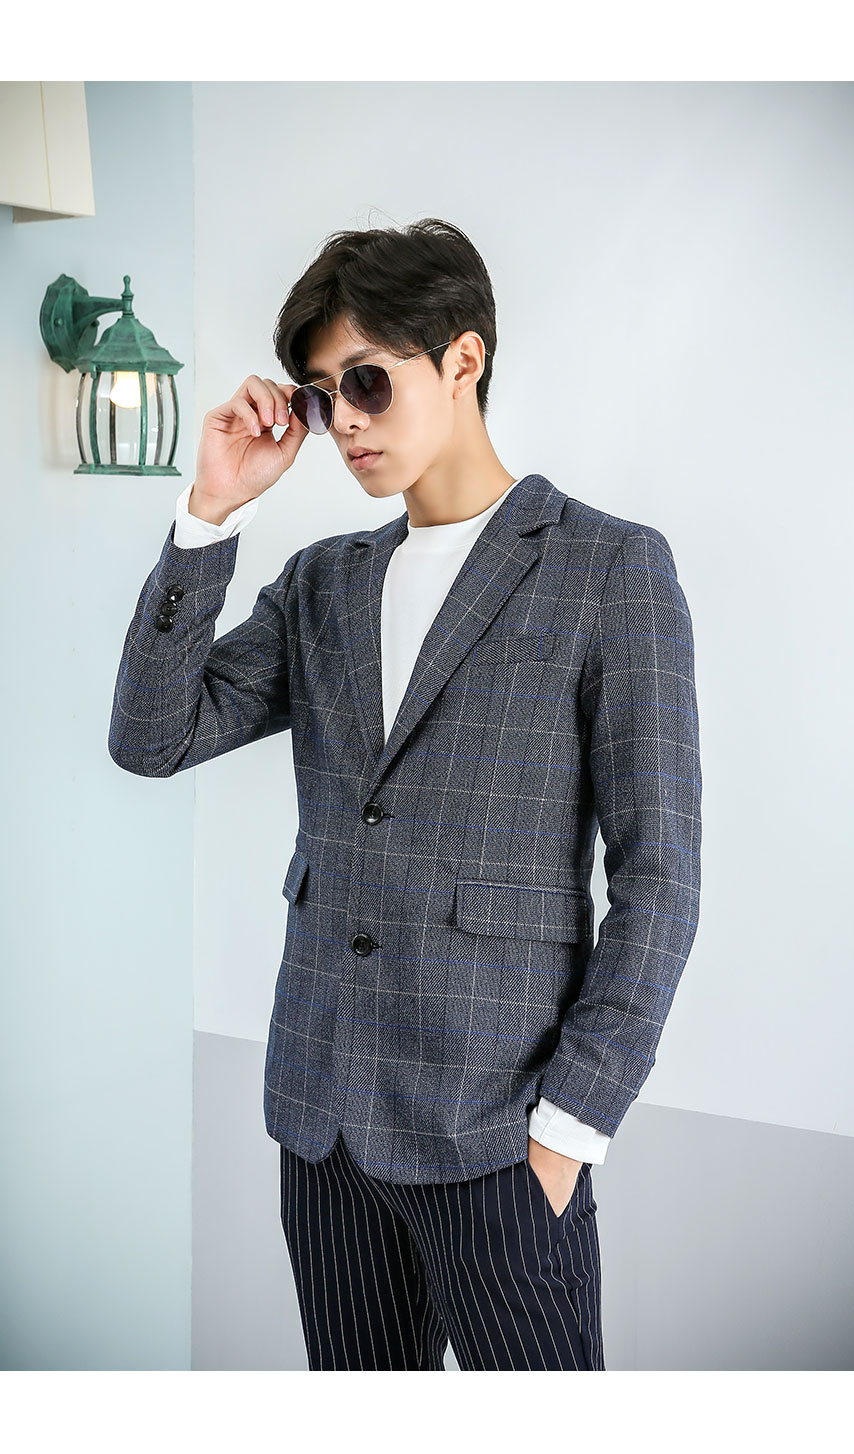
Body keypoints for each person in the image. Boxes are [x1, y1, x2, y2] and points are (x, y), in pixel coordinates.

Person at [109, 217, 702, 1371]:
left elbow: (659, 877)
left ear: (462, 358)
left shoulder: (607, 569)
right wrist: (210, 511)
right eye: (320, 394)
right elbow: (150, 736)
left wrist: (565, 1133)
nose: (343, 420)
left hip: (499, 1139)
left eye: (367, 380)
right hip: (324, 1130)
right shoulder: (322, 583)